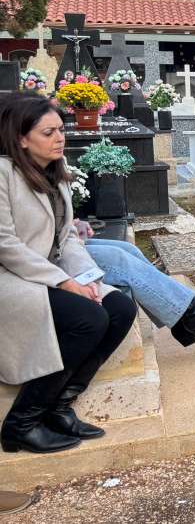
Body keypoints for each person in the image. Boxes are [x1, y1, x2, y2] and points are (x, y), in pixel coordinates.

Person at [0, 94, 137, 454]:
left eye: (61, 130)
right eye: (48, 132)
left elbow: (67, 240)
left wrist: (88, 278)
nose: (59, 138)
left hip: (45, 273)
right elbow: (6, 244)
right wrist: (64, 282)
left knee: (119, 307)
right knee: (88, 319)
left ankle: (59, 408)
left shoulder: (57, 177)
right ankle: (21, 422)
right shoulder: (3, 174)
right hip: (10, 277)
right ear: (21, 138)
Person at [73, 219, 195, 347]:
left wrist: (72, 225)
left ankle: (181, 323)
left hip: (66, 241)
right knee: (117, 259)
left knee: (129, 249)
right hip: (58, 256)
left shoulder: (52, 174)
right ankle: (193, 313)